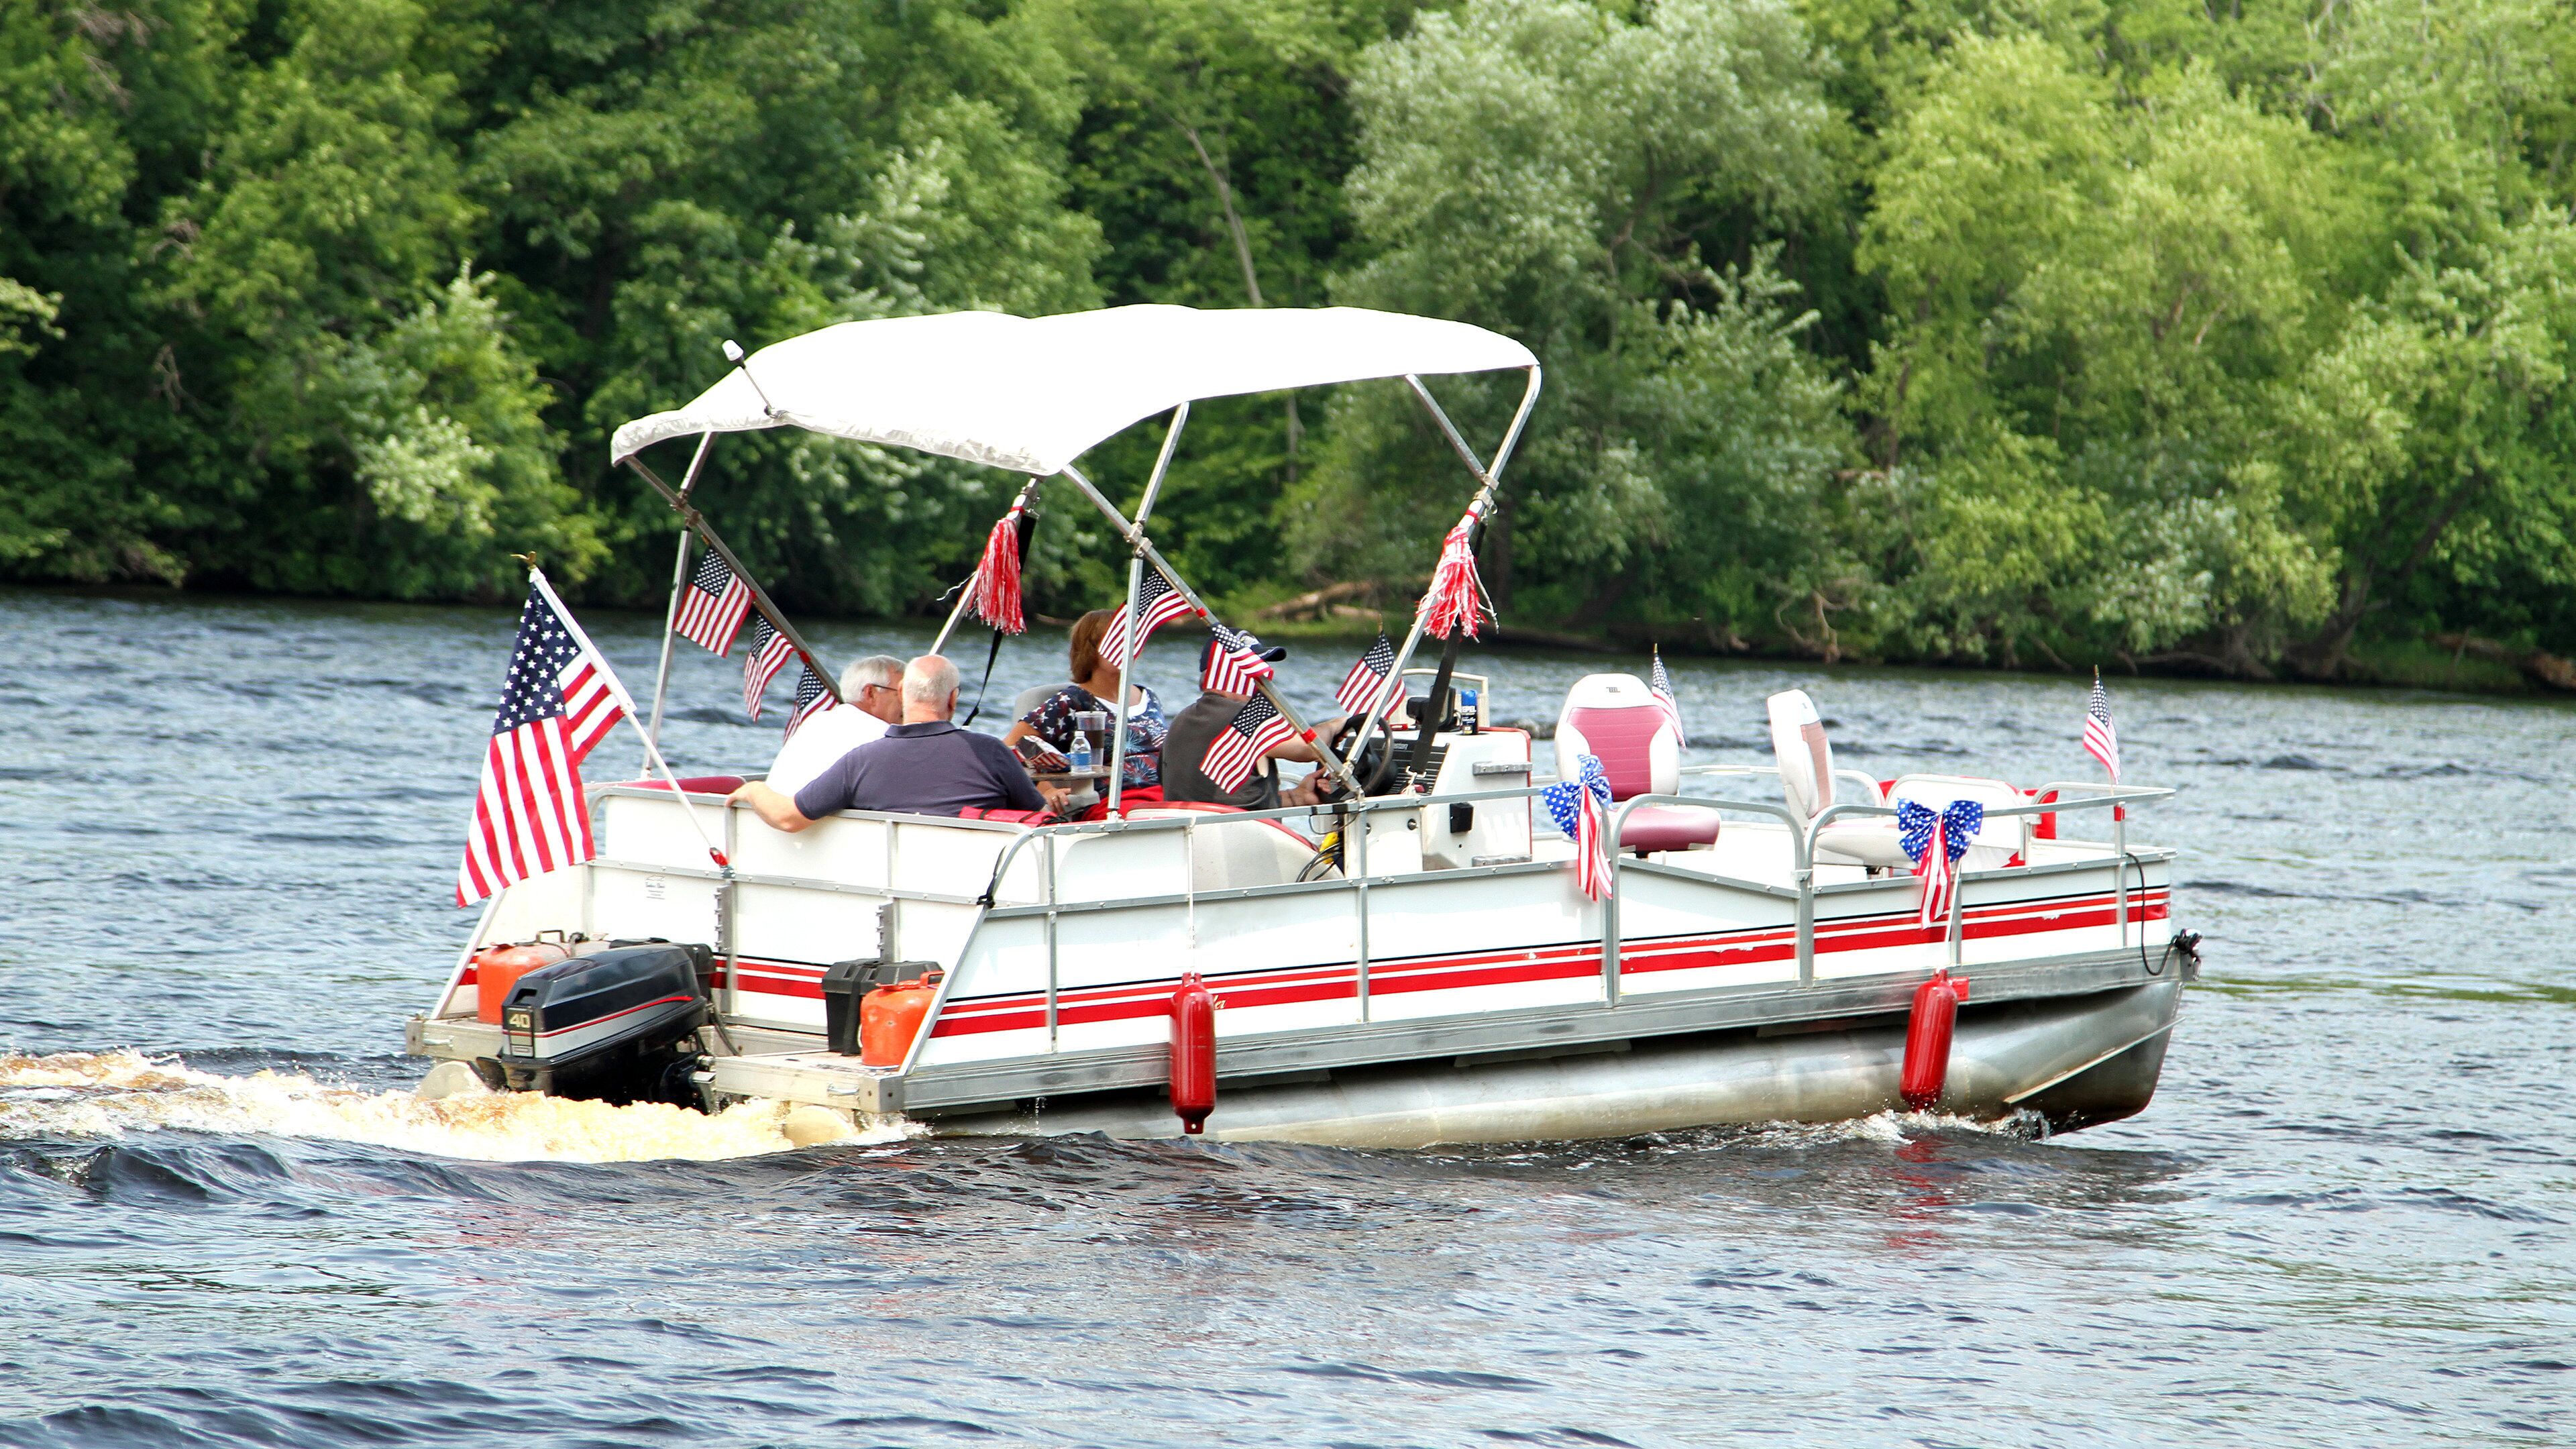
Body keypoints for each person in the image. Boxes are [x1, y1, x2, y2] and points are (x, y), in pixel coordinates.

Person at [730, 655, 1046, 828]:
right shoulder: (989, 750)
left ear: (906, 697)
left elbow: (788, 818)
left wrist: (754, 789)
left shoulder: (862, 759)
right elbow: (1037, 814)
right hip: (978, 884)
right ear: (953, 700)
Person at [1159, 636, 1345, 810]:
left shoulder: (1181, 720)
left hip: (1198, 832)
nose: (1262, 681)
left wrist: (1298, 797)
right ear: (1227, 674)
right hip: (1236, 834)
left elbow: (1225, 800)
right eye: (1254, 669)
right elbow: (1309, 749)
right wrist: (1336, 725)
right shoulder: (1240, 715)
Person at [1003, 608, 1168, 799]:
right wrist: (1046, 791)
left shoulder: (1149, 697)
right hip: (1112, 801)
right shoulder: (1071, 702)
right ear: (1091, 649)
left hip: (1164, 795)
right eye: (1114, 642)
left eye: (1131, 641)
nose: (1124, 648)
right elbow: (1008, 750)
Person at [761, 654, 904, 795]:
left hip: (767, 812)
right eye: (902, 694)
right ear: (870, 693)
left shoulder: (816, 721)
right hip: (821, 815)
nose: (909, 702)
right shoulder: (883, 735)